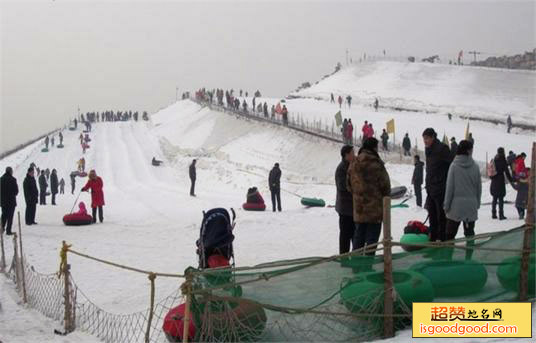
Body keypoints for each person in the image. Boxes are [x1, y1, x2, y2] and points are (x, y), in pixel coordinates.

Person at [347, 137, 391, 255]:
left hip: (359, 210)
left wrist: (358, 195)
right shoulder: (377, 164)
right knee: (371, 243)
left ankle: (356, 268)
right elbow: (386, 187)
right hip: (374, 211)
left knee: (358, 240)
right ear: (374, 148)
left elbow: (349, 185)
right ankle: (368, 268)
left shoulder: (354, 163)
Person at [444, 140, 482, 241]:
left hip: (456, 207)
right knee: (469, 235)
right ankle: (469, 256)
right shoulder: (475, 166)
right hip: (471, 206)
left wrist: (446, 206)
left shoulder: (454, 166)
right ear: (469, 151)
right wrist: (477, 203)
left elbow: (449, 188)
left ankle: (448, 255)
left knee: (450, 235)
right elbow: (479, 188)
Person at [422, 128, 452, 242]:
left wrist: (443, 179)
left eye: (427, 138)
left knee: (441, 216)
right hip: (430, 188)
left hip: (440, 188)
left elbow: (451, 164)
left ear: (433, 137)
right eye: (423, 139)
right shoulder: (428, 149)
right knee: (432, 214)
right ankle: (433, 237)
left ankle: (442, 238)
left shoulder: (442, 149)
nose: (425, 141)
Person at [335, 145, 355, 254]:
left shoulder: (352, 166)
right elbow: (342, 186)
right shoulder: (342, 168)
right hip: (345, 209)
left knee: (354, 235)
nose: (354, 155)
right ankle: (344, 258)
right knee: (345, 235)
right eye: (352, 153)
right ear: (346, 155)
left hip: (353, 208)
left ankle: (354, 258)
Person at [490, 147, 513, 220]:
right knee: (500, 199)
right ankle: (501, 215)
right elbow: (507, 172)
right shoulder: (503, 160)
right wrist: (511, 180)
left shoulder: (494, 159)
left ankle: (493, 214)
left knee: (494, 198)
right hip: (500, 180)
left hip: (494, 180)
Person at [1, 167, 18, 235]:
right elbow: (16, 191)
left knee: (3, 215)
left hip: (3, 201)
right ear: (11, 172)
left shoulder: (1, 179)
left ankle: (1, 228)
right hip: (11, 202)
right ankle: (8, 230)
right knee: (10, 216)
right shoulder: (13, 180)